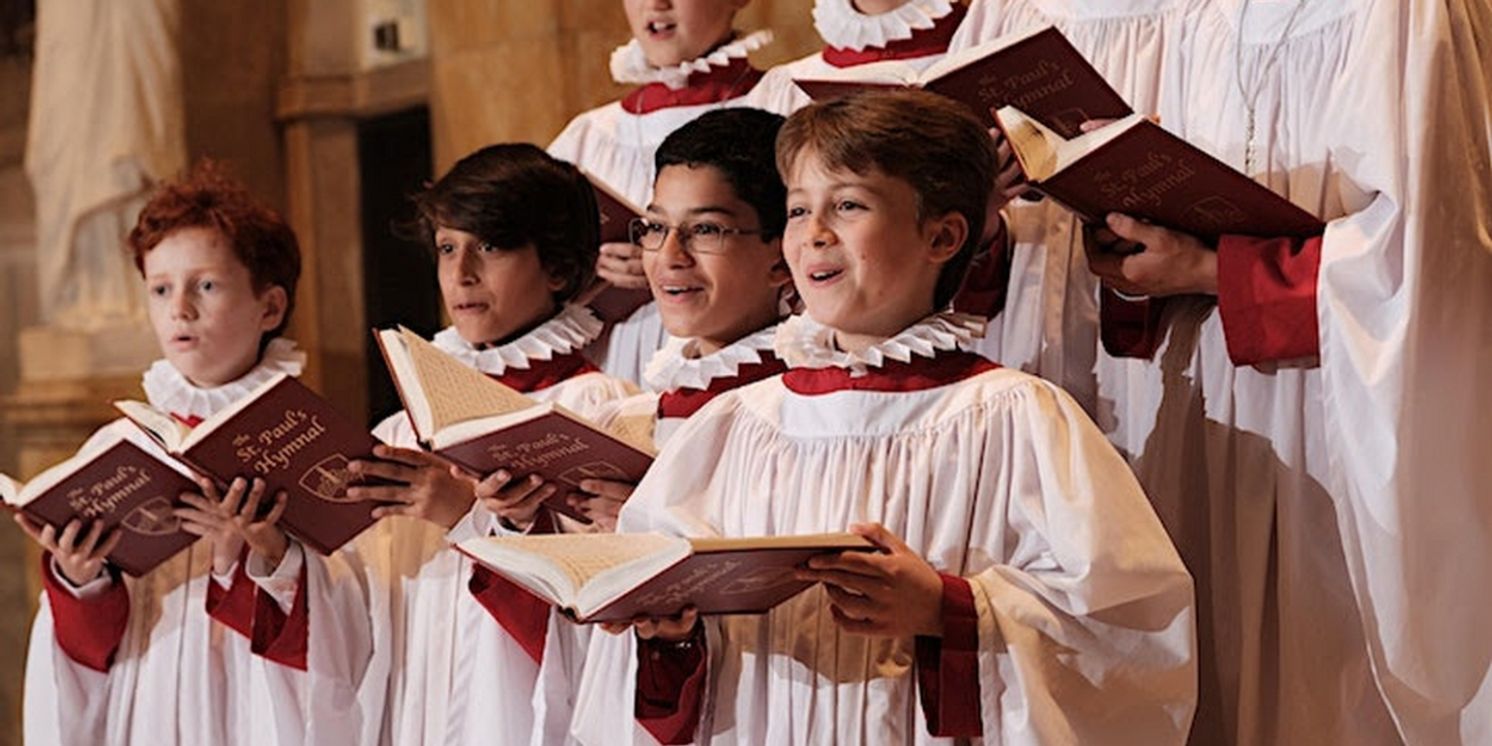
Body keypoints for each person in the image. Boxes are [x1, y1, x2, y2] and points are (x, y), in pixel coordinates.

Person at [570, 90, 1197, 746]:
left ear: (942, 236)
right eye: (798, 209)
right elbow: (644, 667)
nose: (814, 233)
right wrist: (671, 633)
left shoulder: (1016, 419)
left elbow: (1129, 638)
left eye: (848, 206)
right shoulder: (732, 426)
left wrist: (947, 610)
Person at [1068, 2, 1492, 743]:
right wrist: (1131, 244)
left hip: (1329, 409)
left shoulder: (1407, 13)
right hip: (1207, 399)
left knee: (1317, 683)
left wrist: (1215, 270)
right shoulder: (1204, 17)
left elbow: (1432, 253)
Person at [19, 163, 384, 746]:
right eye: (160, 289)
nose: (179, 309)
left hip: (252, 703)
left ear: (270, 307)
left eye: (206, 286)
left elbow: (344, 642)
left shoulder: (312, 444)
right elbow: (87, 652)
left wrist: (254, 552)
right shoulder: (120, 445)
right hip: (148, 696)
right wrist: (80, 577)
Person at [357, 143, 636, 746]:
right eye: (447, 248)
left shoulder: (603, 414)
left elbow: (601, 631)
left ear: (557, 266)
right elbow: (354, 624)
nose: (461, 274)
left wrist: (467, 515)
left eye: (490, 246)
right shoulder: (401, 430)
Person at [550, 0, 775, 387]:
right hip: (616, 365)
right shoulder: (586, 138)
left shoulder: (785, 103)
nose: (656, 4)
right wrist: (585, 272)